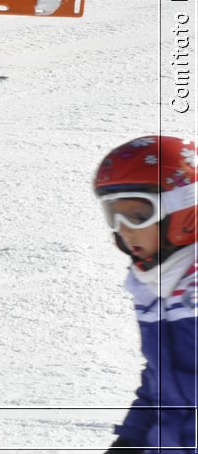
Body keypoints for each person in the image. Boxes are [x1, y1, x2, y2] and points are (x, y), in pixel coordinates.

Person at [92, 135, 196, 454]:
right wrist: (129, 442)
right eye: (114, 214)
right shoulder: (156, 289)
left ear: (185, 210)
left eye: (138, 215)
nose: (124, 229)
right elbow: (160, 382)